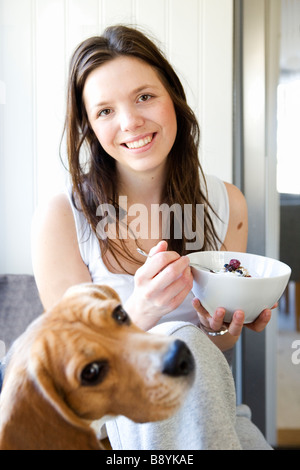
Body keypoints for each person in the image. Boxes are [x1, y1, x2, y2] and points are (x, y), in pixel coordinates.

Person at [31, 25, 273, 449]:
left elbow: (221, 345)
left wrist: (223, 327)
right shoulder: (61, 217)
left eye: (145, 97)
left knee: (194, 343)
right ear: (89, 126)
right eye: (105, 111)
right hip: (116, 417)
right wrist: (141, 310)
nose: (130, 122)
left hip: (211, 411)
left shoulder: (227, 204)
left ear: (173, 100)